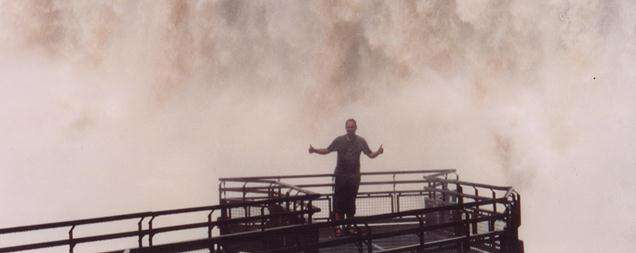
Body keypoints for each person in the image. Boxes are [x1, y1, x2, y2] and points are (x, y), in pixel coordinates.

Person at [308, 118, 383, 236]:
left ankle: (348, 227)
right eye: (348, 127)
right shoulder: (339, 140)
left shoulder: (361, 141)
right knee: (339, 202)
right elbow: (327, 150)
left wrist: (378, 152)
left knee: (351, 203)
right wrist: (315, 150)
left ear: (356, 128)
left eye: (352, 127)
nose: (350, 129)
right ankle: (338, 228)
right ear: (345, 128)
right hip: (341, 176)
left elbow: (370, 154)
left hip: (354, 178)